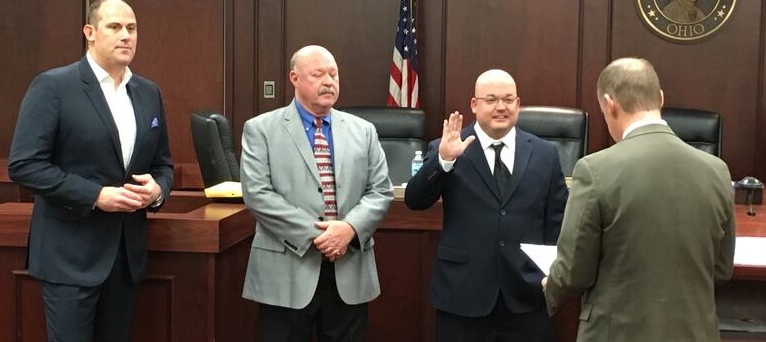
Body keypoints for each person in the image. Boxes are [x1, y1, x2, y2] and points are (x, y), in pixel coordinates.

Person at [8, 0, 174, 342]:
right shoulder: (54, 86)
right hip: (70, 257)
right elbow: (24, 165)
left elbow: (163, 165)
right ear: (90, 32)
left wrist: (158, 191)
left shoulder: (148, 93)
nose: (126, 35)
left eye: (132, 28)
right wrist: (95, 195)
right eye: (114, 27)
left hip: (126, 258)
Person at [543, 58, 736, 341]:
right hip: (695, 332)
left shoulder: (594, 170)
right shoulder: (717, 170)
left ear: (610, 104)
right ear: (660, 98)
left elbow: (574, 270)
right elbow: (721, 268)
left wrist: (550, 288)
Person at [240, 45, 394, 342]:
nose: (329, 81)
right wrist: (321, 235)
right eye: (318, 74)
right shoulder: (261, 129)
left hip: (348, 269)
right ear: (294, 78)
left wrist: (348, 229)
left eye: (334, 74)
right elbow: (258, 194)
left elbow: (380, 191)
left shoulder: (363, 131)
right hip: (286, 270)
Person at [405, 69, 568, 342]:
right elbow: (415, 200)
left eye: (508, 99)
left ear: (518, 104)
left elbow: (558, 221)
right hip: (463, 295)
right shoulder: (447, 147)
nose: (500, 107)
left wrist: (552, 276)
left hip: (527, 296)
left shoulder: (545, 153)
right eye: (491, 100)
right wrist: (444, 161)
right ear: (474, 105)